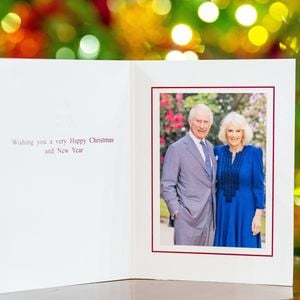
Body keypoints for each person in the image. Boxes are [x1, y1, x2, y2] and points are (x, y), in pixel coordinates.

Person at [161, 103, 217, 246]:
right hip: (186, 220)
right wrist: (176, 211)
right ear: (190, 121)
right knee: (184, 264)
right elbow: (167, 184)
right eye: (199, 121)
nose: (202, 126)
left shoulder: (211, 148)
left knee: (206, 264)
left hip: (209, 220)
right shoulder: (177, 149)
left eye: (206, 122)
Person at [214, 111, 265, 248]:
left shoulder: (254, 153)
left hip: (246, 213)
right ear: (225, 133)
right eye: (230, 130)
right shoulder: (217, 152)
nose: (234, 135)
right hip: (223, 212)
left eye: (238, 131)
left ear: (244, 133)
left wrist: (258, 216)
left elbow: (259, 186)